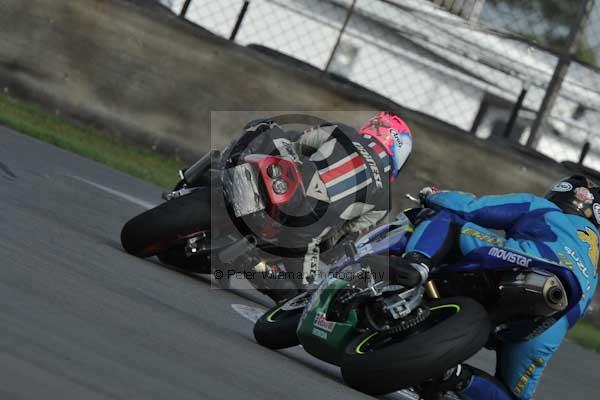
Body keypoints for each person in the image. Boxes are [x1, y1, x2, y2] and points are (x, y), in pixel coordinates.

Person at [393, 175, 599, 399]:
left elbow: (471, 208)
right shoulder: (594, 266)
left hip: (524, 260)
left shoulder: (546, 208)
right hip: (551, 321)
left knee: (447, 220)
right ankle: (455, 376)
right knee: (514, 396)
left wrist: (431, 195)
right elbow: (577, 312)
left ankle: (415, 266)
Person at [230, 112, 413, 302]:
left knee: (265, 128)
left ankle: (227, 167)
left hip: (282, 191)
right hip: (304, 233)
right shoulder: (384, 200)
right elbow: (343, 238)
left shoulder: (342, 131)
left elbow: (296, 144)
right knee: (303, 298)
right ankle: (258, 266)